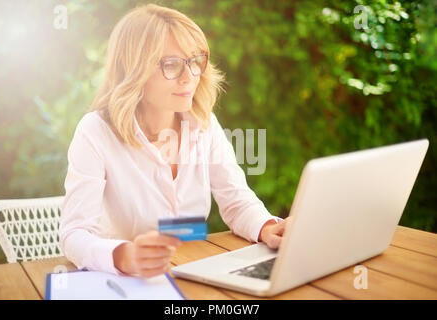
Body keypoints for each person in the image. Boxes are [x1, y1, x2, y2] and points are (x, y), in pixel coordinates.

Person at [59, 3, 287, 279]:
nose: (189, 77)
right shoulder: (95, 131)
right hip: (125, 283)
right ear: (133, 70)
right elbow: (74, 234)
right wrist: (122, 255)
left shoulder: (202, 122)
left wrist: (266, 226)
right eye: (171, 64)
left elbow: (236, 200)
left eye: (195, 61)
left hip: (192, 270)